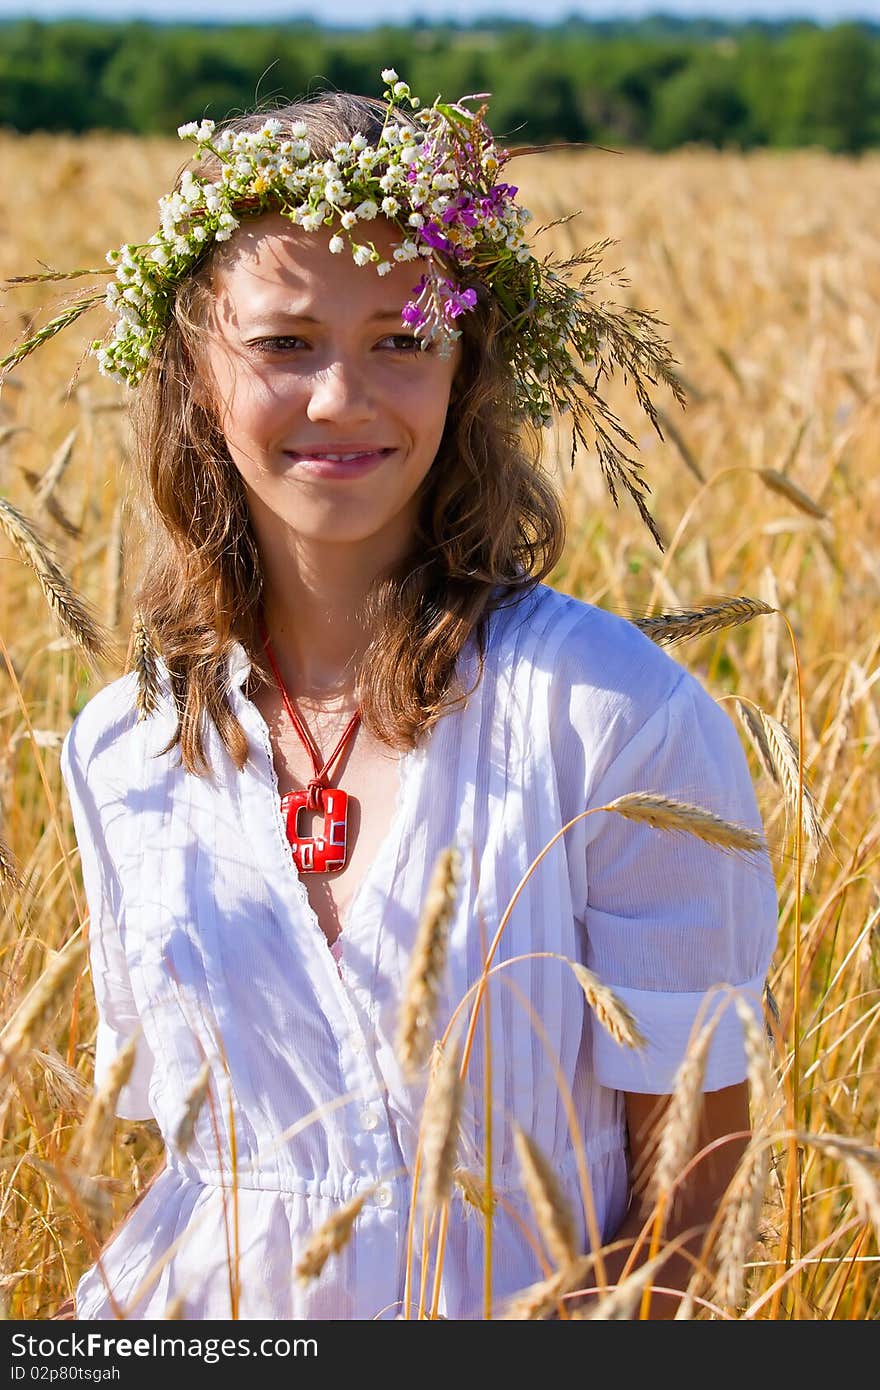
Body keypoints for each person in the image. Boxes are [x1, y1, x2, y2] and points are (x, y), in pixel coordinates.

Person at [12, 71, 778, 1319]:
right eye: (282, 342)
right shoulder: (125, 744)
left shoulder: (605, 716)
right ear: (196, 367)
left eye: (402, 341)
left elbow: (695, 1190)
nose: (338, 397)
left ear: (464, 367)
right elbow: (188, 1160)